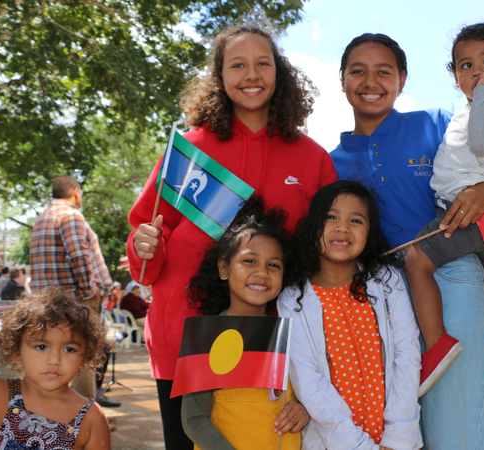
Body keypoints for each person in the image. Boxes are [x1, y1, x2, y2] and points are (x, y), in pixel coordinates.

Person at [126, 23, 337, 449]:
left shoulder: (311, 157)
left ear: (279, 73)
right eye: (237, 65)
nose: (251, 75)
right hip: (185, 334)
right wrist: (141, 245)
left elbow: (327, 255)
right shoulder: (187, 151)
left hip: (276, 339)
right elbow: (146, 243)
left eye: (263, 63)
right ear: (219, 77)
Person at [329, 32, 484, 449]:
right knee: (394, 436)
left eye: (384, 71)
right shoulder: (330, 163)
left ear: (402, 79)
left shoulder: (440, 123)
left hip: (452, 283)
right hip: (376, 306)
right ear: (342, 79)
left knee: (455, 433)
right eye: (358, 71)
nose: (371, 81)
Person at [400, 22, 484, 395]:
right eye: (466, 66)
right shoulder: (477, 110)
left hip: (466, 212)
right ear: (455, 76)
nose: (478, 73)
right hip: (472, 213)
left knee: (415, 261)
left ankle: (436, 344)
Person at [278, 181, 422, 450]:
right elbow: (307, 380)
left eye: (356, 220)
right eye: (331, 217)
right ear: (313, 226)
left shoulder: (387, 280)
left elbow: (407, 353)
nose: (342, 227)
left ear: (370, 231)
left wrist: (398, 437)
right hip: (334, 441)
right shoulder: (292, 298)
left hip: (392, 440)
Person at [182, 197, 309, 449]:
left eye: (273, 265)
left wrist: (305, 410)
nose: (262, 273)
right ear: (223, 269)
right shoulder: (206, 338)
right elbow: (193, 420)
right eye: (249, 261)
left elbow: (310, 392)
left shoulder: (294, 332)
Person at [0, 287, 111, 449]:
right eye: (41, 347)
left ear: (84, 357)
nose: (54, 360)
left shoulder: (91, 417)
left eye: (69, 349)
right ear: (17, 352)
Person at [30, 175, 113, 406]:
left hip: (48, 302)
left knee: (53, 358)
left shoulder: (43, 218)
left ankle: (58, 417)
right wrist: (90, 292)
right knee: (82, 358)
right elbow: (78, 255)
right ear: (76, 192)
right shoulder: (70, 215)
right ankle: (85, 420)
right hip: (76, 300)